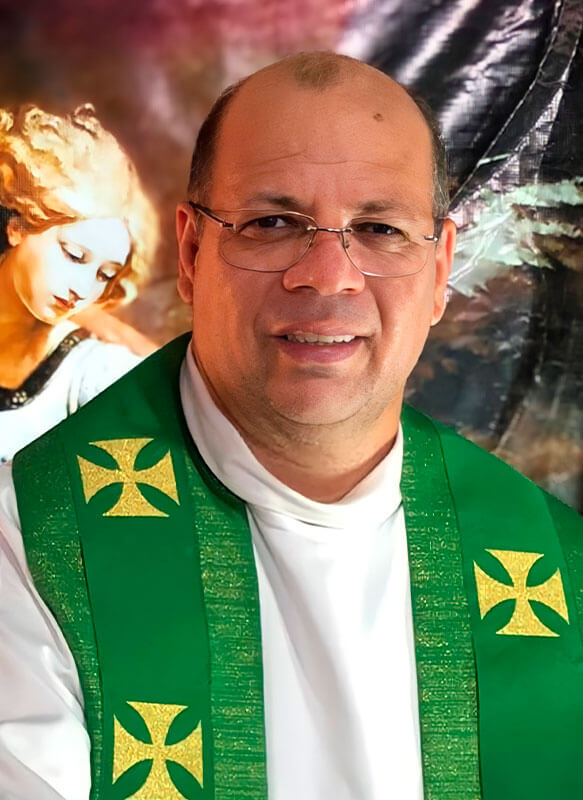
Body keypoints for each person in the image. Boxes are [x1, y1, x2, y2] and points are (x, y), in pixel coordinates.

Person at [1, 52, 582, 800]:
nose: (328, 275)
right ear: (192, 253)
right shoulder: (31, 543)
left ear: (439, 272)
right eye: (272, 222)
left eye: (378, 227)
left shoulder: (560, 573)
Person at [0, 103, 158, 462]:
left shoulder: (99, 375)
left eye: (105, 275)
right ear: (18, 227)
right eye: (73, 255)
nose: (84, 290)